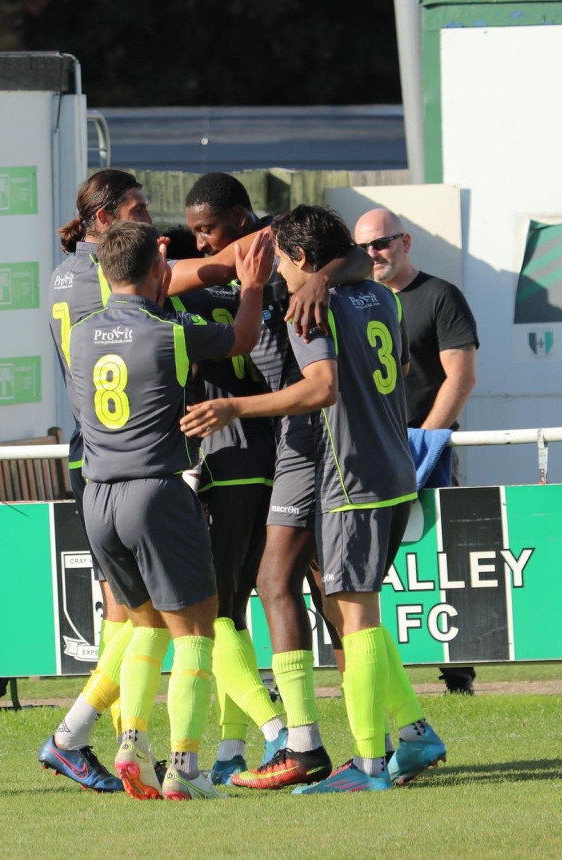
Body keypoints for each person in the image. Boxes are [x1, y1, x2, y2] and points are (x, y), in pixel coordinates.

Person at [38, 169, 332, 791]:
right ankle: (205, 757)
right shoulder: (161, 322)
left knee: (137, 622)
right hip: (152, 475)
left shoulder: (68, 291)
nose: (153, 224)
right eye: (140, 211)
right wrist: (268, 258)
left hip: (95, 470)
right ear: (106, 224)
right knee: (201, 621)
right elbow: (230, 295)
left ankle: (91, 736)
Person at [182, 205, 446, 793]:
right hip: (363, 458)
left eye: (268, 249)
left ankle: (353, 755)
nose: (254, 254)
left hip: (335, 458)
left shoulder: (310, 298)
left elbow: (322, 386)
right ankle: (374, 735)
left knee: (341, 603)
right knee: (310, 590)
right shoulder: (375, 293)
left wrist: (231, 406)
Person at [70, 220, 271, 801]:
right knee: (196, 632)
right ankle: (185, 767)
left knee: (143, 625)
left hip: (98, 496)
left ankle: (132, 742)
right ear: (160, 270)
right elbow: (240, 339)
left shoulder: (81, 334)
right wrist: (252, 286)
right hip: (154, 490)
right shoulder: (170, 331)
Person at [182, 173, 370, 787]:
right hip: (275, 449)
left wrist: (315, 274)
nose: (201, 242)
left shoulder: (281, 265)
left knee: (245, 605)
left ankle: (289, 739)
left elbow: (351, 254)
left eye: (208, 229)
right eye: (192, 234)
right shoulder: (212, 274)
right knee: (281, 597)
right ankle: (249, 746)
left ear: (242, 220)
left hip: (269, 451)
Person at [355, 208, 480, 695]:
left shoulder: (440, 295)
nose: (373, 254)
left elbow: (462, 378)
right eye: (363, 246)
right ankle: (373, 670)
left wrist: (422, 442)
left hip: (424, 455)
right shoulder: (352, 299)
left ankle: (458, 673)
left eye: (381, 243)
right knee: (370, 569)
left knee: (438, 561)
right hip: (367, 456)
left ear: (405, 242)